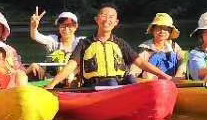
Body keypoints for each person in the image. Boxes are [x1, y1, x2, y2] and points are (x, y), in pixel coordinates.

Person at [45, 6, 175, 89]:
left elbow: (140, 62)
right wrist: (52, 83)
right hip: (95, 86)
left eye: (111, 17)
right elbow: (71, 66)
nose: (107, 19)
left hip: (118, 84)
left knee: (130, 79)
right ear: (97, 20)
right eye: (104, 15)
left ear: (116, 22)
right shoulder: (85, 43)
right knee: (112, 83)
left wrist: (163, 75)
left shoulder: (120, 43)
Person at [27, 8, 83, 80]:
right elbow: (35, 36)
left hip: (72, 79)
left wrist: (74, 72)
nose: (66, 29)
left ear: (76, 27)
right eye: (63, 25)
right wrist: (34, 27)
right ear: (58, 27)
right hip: (51, 79)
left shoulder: (80, 42)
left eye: (69, 25)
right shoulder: (53, 40)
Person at [137, 13, 187, 78]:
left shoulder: (174, 46)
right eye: (158, 28)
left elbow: (184, 59)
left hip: (173, 80)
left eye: (166, 29)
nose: (162, 31)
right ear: (153, 30)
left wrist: (178, 74)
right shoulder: (145, 48)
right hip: (152, 82)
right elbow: (136, 66)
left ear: (170, 32)